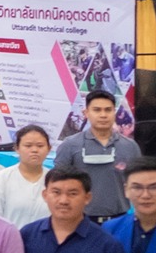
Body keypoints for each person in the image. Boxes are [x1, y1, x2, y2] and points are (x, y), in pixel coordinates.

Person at [52, 90, 141, 224]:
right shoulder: (70, 145)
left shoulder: (130, 146)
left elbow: (139, 183)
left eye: (108, 110)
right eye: (97, 110)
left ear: (114, 112)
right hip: (80, 222)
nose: (103, 115)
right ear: (86, 113)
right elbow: (58, 184)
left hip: (120, 220)